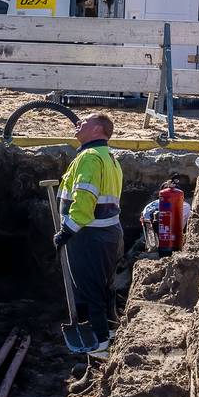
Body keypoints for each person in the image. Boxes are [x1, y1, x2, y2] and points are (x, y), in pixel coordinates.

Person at [54, 113, 124, 358]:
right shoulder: (109, 159)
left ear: (97, 130)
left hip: (88, 234)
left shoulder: (90, 158)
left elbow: (84, 200)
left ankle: (100, 343)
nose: (77, 125)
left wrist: (66, 231)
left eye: (83, 122)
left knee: (90, 287)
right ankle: (110, 332)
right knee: (102, 285)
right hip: (108, 232)